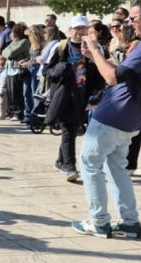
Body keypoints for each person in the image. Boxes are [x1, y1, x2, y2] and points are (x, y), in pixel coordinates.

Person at [73, 0, 141, 238]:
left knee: (90, 165)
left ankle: (98, 221)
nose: (130, 23)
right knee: (117, 168)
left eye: (134, 18)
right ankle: (129, 221)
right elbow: (123, 72)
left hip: (115, 113)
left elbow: (112, 78)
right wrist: (94, 56)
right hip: (132, 117)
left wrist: (95, 49)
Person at [44, 16, 105, 183]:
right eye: (77, 28)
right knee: (69, 129)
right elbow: (46, 71)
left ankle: (60, 161)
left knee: (71, 129)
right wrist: (59, 68)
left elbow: (101, 73)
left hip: (84, 96)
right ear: (70, 29)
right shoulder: (60, 47)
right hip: (64, 95)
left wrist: (96, 96)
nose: (80, 32)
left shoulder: (95, 47)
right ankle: (70, 166)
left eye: (84, 29)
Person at [0, 23, 31, 122]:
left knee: (16, 93)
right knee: (9, 93)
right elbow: (3, 52)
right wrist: (7, 53)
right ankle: (11, 112)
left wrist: (8, 53)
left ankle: (18, 113)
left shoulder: (24, 42)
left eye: (12, 32)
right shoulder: (13, 42)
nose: (11, 34)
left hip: (17, 69)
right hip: (9, 69)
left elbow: (10, 53)